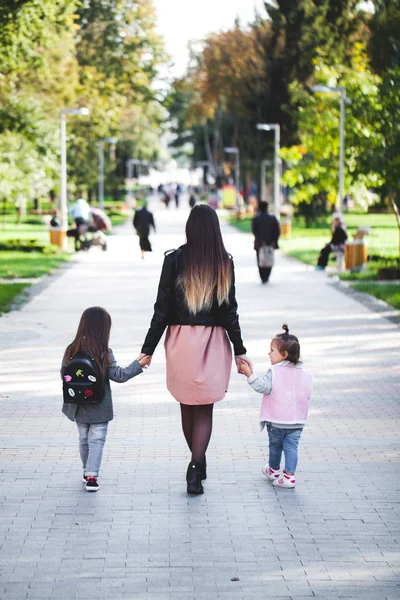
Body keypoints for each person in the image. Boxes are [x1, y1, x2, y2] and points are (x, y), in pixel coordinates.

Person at [139, 205, 250, 495]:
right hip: (213, 341)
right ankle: (195, 465)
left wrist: (147, 349)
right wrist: (239, 350)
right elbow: (230, 312)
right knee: (205, 407)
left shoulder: (174, 260)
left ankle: (195, 464)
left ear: (190, 227)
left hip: (180, 340)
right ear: (216, 229)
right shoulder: (223, 262)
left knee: (187, 403)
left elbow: (161, 309)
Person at [61, 306, 150, 492]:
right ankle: (92, 476)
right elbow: (119, 375)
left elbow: (64, 373)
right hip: (98, 405)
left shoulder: (71, 350)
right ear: (103, 329)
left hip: (77, 405)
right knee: (97, 440)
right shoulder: (103, 352)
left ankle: (87, 471)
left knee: (84, 439)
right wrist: (138, 364)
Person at [239, 324, 312, 489]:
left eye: (272, 350)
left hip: (277, 421)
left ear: (284, 354)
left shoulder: (275, 372)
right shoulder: (305, 373)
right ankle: (289, 476)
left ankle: (274, 470)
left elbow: (262, 387)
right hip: (297, 422)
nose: (268, 353)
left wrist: (249, 373)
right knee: (292, 448)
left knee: (275, 446)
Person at [252, 201, 280, 283]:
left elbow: (255, 231)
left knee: (260, 260)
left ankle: (262, 276)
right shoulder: (272, 218)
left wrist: (261, 241)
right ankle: (267, 276)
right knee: (269, 259)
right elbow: (277, 231)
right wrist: (273, 241)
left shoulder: (256, 218)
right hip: (271, 243)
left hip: (259, 244)